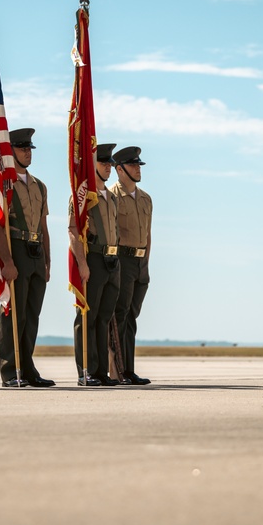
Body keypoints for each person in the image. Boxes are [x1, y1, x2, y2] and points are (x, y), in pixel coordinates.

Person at [0, 128, 55, 388]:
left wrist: (48, 260)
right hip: (16, 249)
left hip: (36, 252)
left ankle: (28, 369)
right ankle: (10, 371)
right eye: (22, 148)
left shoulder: (39, 186)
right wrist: (7, 261)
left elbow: (44, 226)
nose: (28, 152)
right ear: (10, 151)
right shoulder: (4, 185)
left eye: (29, 148)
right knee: (13, 314)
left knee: (32, 314)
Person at [69, 143, 121, 386]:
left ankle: (100, 371)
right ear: (92, 166)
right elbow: (73, 230)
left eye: (110, 163)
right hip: (94, 260)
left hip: (112, 260)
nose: (108, 167)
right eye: (103, 163)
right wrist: (82, 263)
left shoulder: (110, 197)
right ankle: (85, 371)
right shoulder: (82, 197)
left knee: (103, 318)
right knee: (87, 318)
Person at [110, 146, 152, 385]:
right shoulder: (112, 196)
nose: (138, 169)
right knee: (120, 316)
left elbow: (148, 235)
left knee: (132, 316)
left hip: (140, 262)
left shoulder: (146, 199)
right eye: (133, 165)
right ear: (120, 169)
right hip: (122, 259)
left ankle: (129, 369)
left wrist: (146, 263)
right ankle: (118, 370)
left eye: (138, 165)